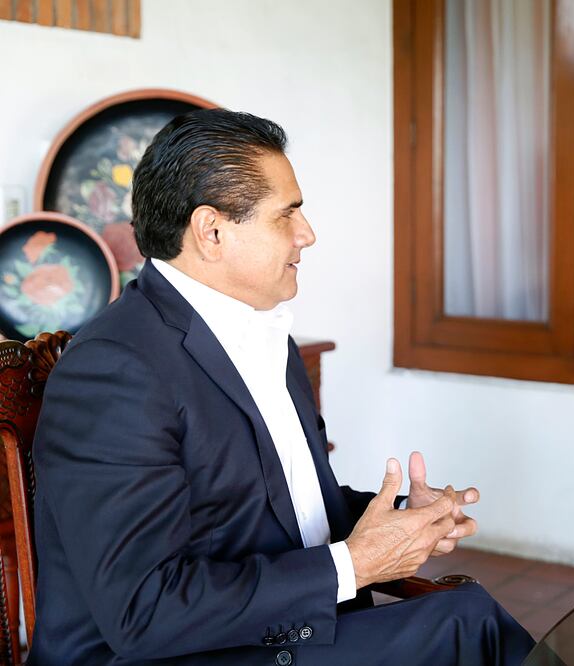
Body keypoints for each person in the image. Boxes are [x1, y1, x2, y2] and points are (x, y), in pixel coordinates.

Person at [30, 109, 534, 665]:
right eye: (286, 215)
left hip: (257, 634)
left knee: (466, 612)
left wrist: (399, 523)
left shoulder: (267, 333)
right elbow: (144, 612)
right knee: (465, 624)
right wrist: (359, 563)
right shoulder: (115, 367)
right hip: (158, 655)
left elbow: (283, 509)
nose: (307, 234)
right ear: (212, 230)